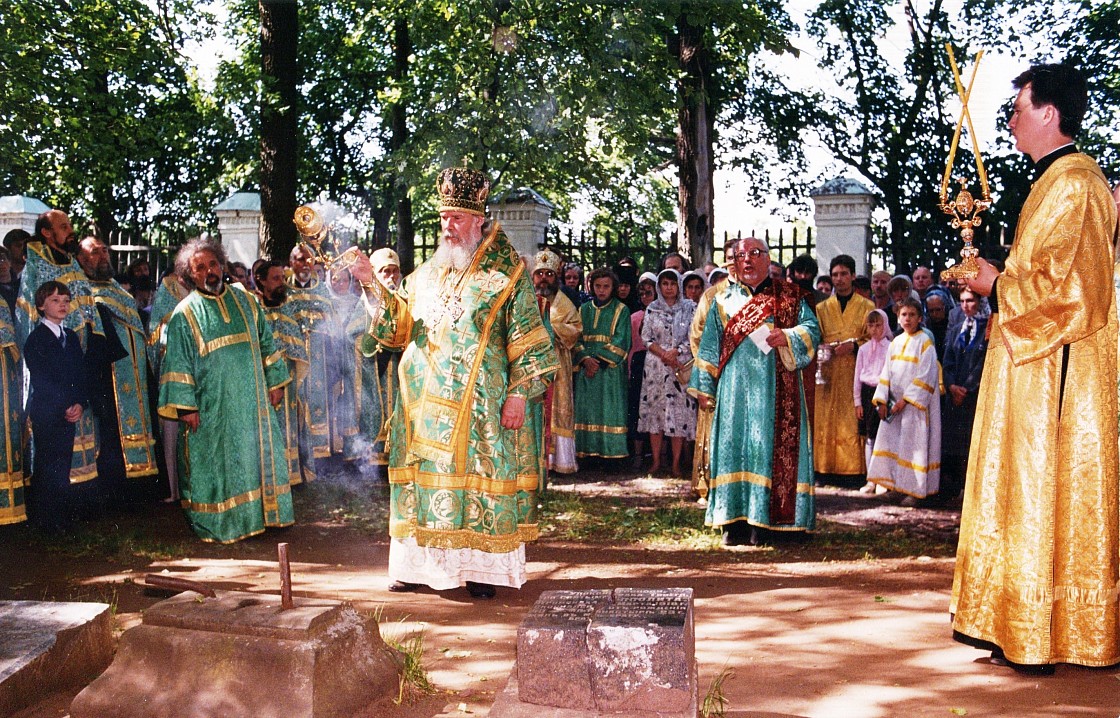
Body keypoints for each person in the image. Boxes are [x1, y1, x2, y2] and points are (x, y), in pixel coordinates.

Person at [951, 64, 1119, 674]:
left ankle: (1046, 632)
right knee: (1019, 487)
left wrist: (997, 284)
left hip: (1058, 374)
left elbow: (1079, 291)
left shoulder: (1077, 185)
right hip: (1030, 368)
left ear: (1049, 113)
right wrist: (995, 285)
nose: (1011, 121)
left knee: (1042, 486)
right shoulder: (1052, 181)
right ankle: (1015, 624)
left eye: (1018, 109)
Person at [350, 166, 557, 600]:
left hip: (482, 410)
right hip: (421, 407)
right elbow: (397, 327)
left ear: (479, 220)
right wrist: (370, 283)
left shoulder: (507, 275)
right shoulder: (426, 273)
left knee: (476, 480)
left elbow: (530, 340)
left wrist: (519, 394)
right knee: (422, 481)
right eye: (444, 217)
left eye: (457, 218)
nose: (448, 226)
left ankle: (481, 568)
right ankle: (414, 566)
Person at [157, 238, 293, 543]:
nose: (209, 271)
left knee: (253, 457)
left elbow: (266, 342)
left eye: (213, 264)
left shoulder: (246, 300)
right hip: (212, 407)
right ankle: (222, 522)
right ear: (190, 275)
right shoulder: (184, 314)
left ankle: (261, 516)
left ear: (222, 265)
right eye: (200, 267)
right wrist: (186, 406)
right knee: (218, 463)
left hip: (253, 401)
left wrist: (275, 381)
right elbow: (178, 363)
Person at [689, 237, 820, 545]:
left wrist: (788, 336)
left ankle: (771, 524)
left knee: (768, 449)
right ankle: (733, 523)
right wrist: (705, 387)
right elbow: (709, 346)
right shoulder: (722, 300)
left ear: (767, 259)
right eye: (740, 255)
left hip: (777, 387)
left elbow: (812, 330)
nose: (747, 259)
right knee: (733, 448)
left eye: (754, 253)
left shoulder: (790, 297)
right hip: (733, 391)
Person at [17, 210, 102, 485]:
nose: (70, 230)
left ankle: (80, 488)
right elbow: (26, 319)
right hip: (52, 387)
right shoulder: (36, 265)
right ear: (46, 232)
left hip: (77, 367)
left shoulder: (73, 264)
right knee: (52, 461)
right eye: (63, 226)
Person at [76, 236, 158, 507]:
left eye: (104, 250)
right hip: (107, 374)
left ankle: (139, 485)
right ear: (80, 259)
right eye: (94, 252)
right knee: (110, 430)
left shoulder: (117, 290)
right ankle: (115, 492)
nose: (103, 255)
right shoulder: (81, 288)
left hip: (134, 373)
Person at [24, 281, 89, 533]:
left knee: (62, 465)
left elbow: (80, 374)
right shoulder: (36, 339)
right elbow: (42, 379)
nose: (62, 305)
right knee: (48, 464)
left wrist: (79, 403)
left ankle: (60, 518)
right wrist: (64, 404)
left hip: (69, 412)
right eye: (55, 300)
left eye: (65, 301)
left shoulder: (70, 337)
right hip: (49, 412)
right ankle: (45, 521)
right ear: (41, 306)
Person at [865, 298, 940, 502]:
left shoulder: (925, 342)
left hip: (914, 406)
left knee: (913, 446)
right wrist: (882, 400)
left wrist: (905, 401)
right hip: (893, 405)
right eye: (904, 314)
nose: (907, 319)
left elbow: (926, 375)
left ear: (920, 318)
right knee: (893, 443)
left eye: (912, 315)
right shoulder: (896, 343)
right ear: (898, 318)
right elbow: (886, 372)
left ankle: (914, 491)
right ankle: (895, 487)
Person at [813, 254, 874, 483]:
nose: (839, 279)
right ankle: (824, 469)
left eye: (844, 274)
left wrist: (854, 346)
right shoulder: (822, 308)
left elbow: (874, 338)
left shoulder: (867, 306)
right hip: (828, 369)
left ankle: (853, 471)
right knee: (826, 418)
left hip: (854, 369)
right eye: (835, 275)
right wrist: (822, 347)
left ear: (853, 276)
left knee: (851, 417)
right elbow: (815, 336)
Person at [689, 239, 738, 503]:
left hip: (744, 378)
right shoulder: (711, 295)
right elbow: (697, 336)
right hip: (716, 375)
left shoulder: (757, 296)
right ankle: (707, 485)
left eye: (740, 256)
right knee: (711, 429)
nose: (735, 262)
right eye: (730, 257)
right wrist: (711, 371)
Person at [284, 243, 336, 481]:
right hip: (293, 362)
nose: (305, 264)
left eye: (308, 260)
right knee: (295, 408)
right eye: (299, 259)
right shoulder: (284, 291)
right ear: (291, 263)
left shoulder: (323, 290)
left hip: (320, 363)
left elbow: (333, 327)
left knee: (319, 406)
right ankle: (298, 463)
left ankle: (320, 463)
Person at [638, 268, 696, 477]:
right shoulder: (652, 308)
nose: (669, 288)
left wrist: (676, 351)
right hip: (656, 366)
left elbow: (694, 335)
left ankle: (676, 464)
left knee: (678, 415)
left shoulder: (689, 307)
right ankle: (656, 462)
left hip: (679, 365)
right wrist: (663, 353)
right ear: (659, 286)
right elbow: (646, 338)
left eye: (672, 283)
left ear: (678, 285)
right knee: (656, 414)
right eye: (665, 284)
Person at [532, 250, 582, 475]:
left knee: (557, 407)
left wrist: (550, 329)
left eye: (549, 274)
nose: (544, 278)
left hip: (557, 363)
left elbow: (576, 328)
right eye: (540, 273)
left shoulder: (564, 303)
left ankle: (558, 462)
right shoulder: (526, 300)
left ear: (556, 277)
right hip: (532, 363)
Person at [574, 268, 631, 462]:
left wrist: (596, 362)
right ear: (591, 287)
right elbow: (575, 338)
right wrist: (585, 360)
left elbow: (621, 340)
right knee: (588, 410)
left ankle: (611, 456)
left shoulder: (621, 310)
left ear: (613, 287)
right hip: (586, 370)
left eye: (606, 286)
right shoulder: (583, 310)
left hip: (609, 372)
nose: (601, 290)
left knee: (609, 411)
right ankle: (587, 454)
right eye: (597, 286)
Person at [939, 288, 987, 504]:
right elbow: (947, 359)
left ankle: (970, 491)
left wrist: (967, 388)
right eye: (962, 301)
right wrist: (951, 385)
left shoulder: (987, 329)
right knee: (954, 444)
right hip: (954, 395)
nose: (966, 305)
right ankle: (956, 488)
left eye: (970, 301)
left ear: (979, 301)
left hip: (972, 396)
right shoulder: (956, 329)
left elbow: (982, 363)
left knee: (971, 443)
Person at [147, 270, 190, 502]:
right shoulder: (168, 288)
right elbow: (157, 334)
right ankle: (172, 489)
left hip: (201, 370)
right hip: (173, 369)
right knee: (172, 430)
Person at [853, 309, 892, 495]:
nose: (874, 329)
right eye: (871, 325)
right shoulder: (863, 349)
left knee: (884, 436)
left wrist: (885, 398)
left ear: (885, 325)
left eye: (878, 325)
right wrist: (857, 402)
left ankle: (883, 480)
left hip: (883, 393)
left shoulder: (891, 347)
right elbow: (857, 377)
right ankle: (870, 479)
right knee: (869, 437)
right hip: (867, 393)